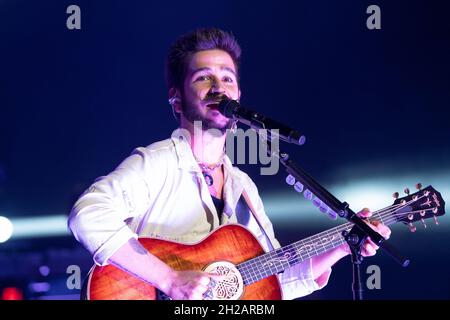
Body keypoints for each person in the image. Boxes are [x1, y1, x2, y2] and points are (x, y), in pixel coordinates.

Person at [68, 28, 391, 300]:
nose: (218, 87)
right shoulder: (157, 162)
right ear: (177, 99)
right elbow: (87, 216)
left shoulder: (243, 187)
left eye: (227, 78)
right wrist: (168, 279)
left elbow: (273, 280)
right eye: (203, 78)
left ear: (238, 94)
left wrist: (342, 247)